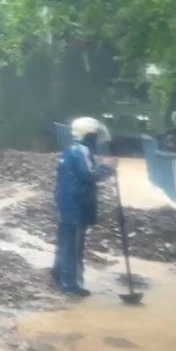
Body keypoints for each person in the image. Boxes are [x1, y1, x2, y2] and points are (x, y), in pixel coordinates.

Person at [51, 117, 117, 296]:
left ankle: (58, 274)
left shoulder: (74, 150)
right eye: (94, 135)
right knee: (73, 245)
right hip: (75, 204)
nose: (97, 138)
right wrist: (108, 169)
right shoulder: (79, 151)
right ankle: (70, 285)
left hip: (70, 202)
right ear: (89, 134)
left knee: (67, 241)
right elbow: (88, 174)